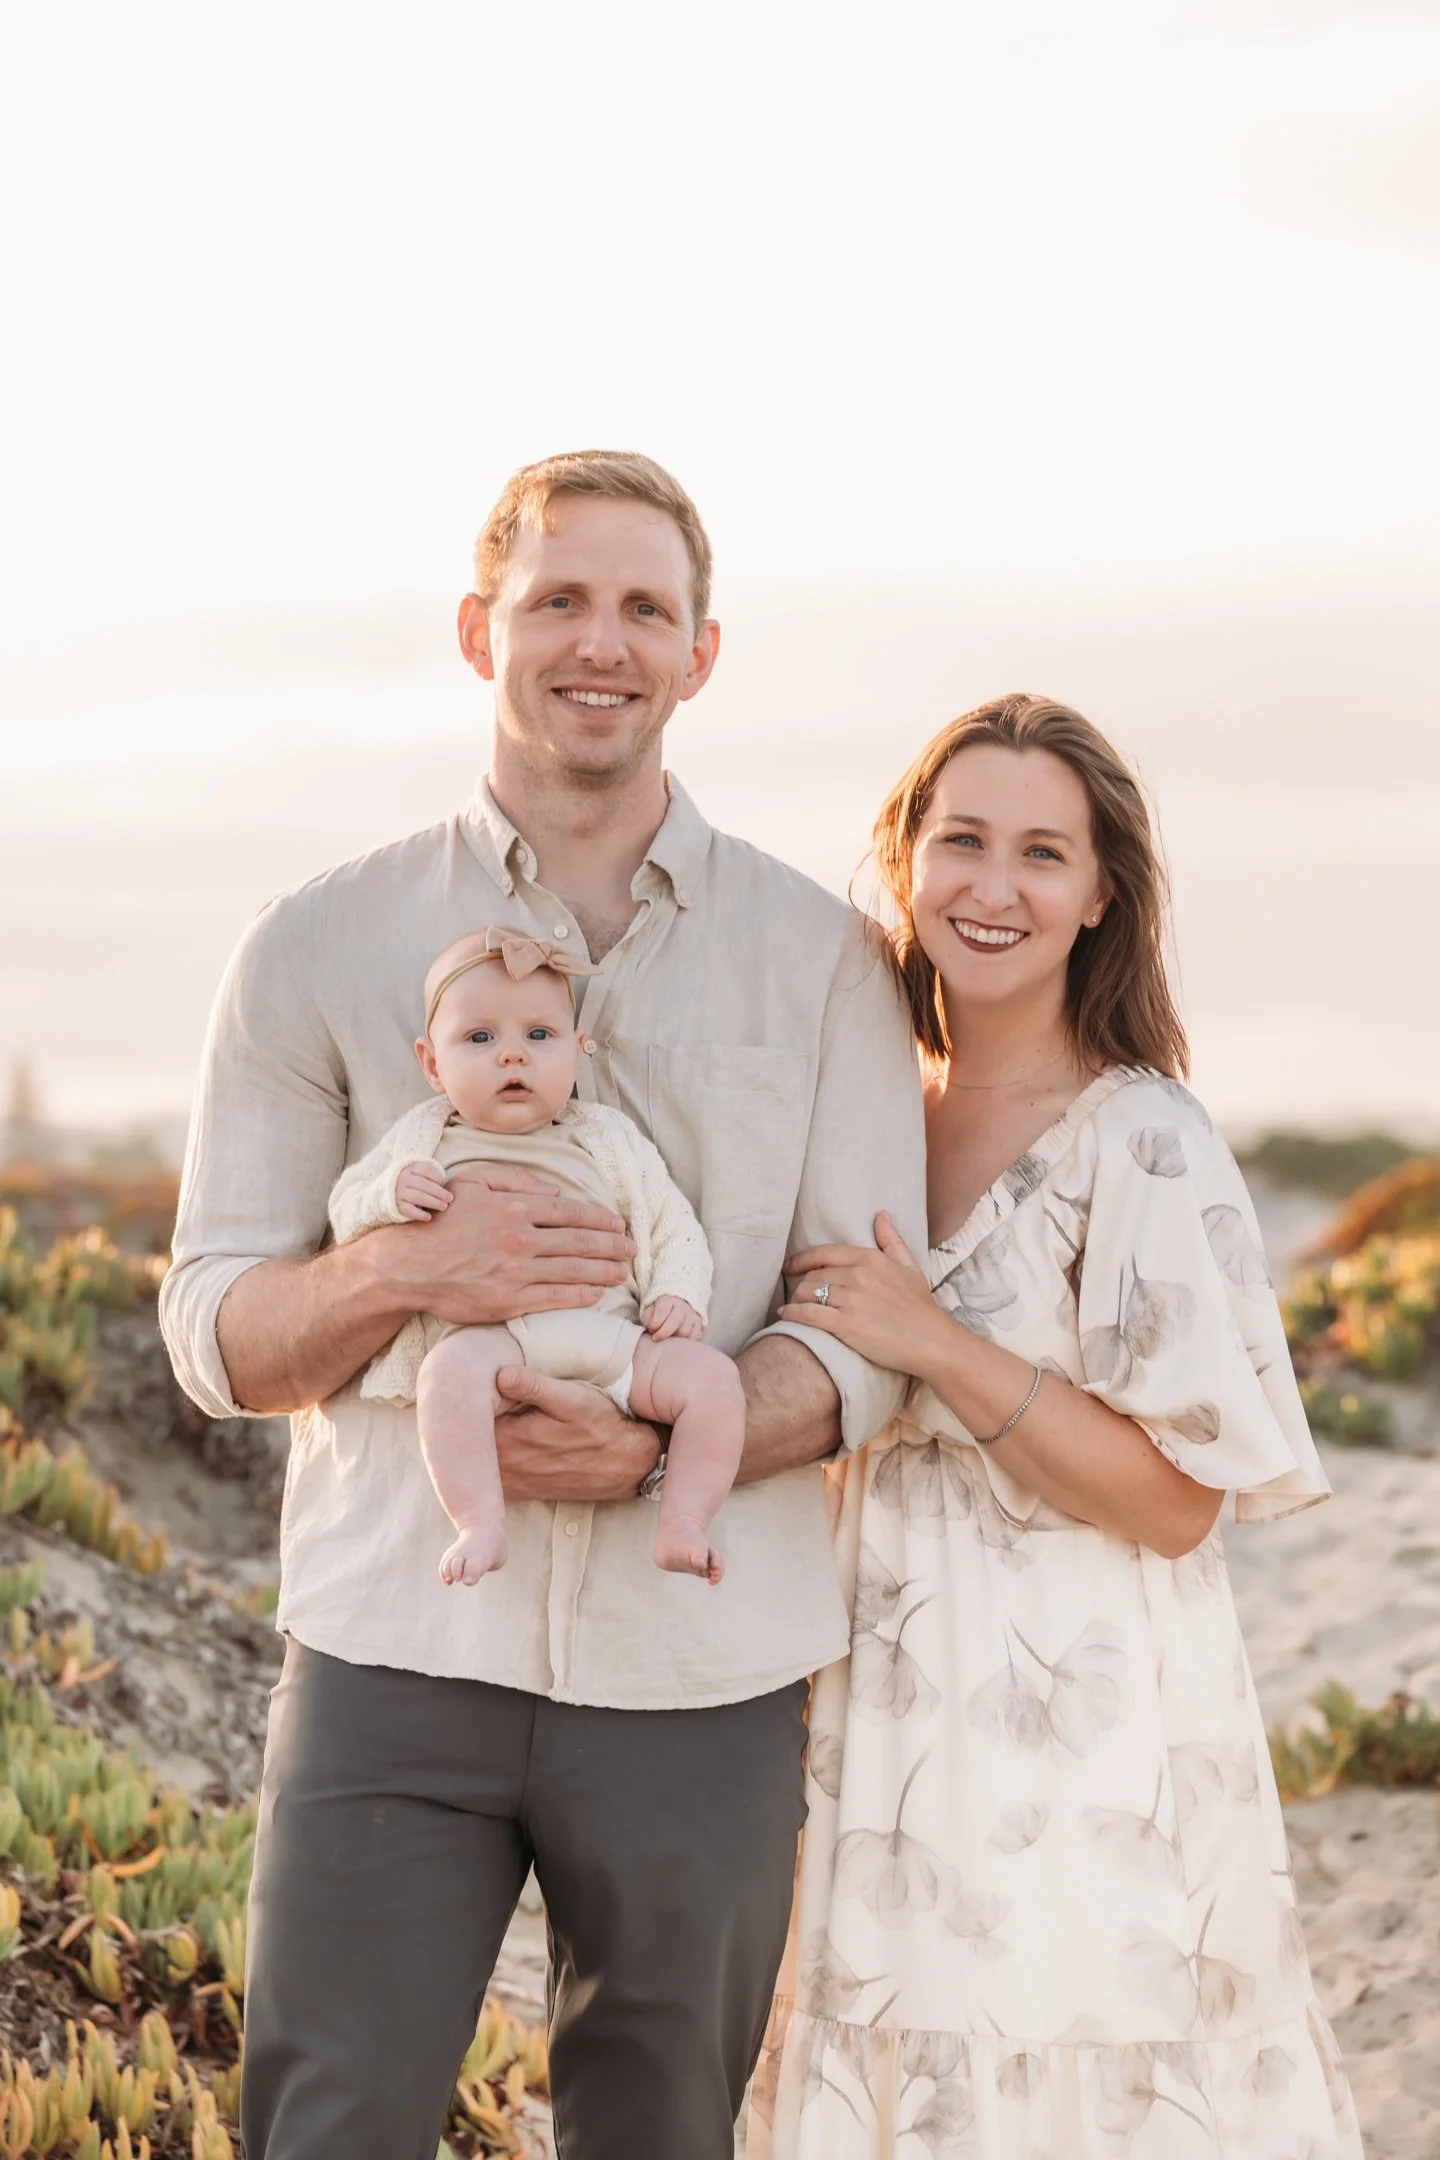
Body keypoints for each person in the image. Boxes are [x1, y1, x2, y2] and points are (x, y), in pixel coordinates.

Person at [159, 448, 927, 2160]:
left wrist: (654, 1459)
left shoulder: (824, 965)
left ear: (701, 653)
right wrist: (401, 1270)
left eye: (645, 607)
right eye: (558, 599)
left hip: (705, 1671)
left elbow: (864, 1338)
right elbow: (210, 1330)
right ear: (476, 630)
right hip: (392, 1652)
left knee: (662, 2135)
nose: (603, 641)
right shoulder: (314, 946)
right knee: (328, 2126)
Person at [748, 695, 1362, 2158]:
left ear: (1099, 895)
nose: (994, 886)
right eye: (960, 840)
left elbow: (1177, 1504)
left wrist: (936, 1346)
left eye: (1041, 853)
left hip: (1078, 1736)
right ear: (904, 861)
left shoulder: (1144, 1136)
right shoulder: (861, 1111)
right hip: (870, 1709)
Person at [329, 923, 742, 1587]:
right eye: (480, 1038)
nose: (512, 1057)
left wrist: (677, 1293)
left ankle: (685, 1518)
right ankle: (478, 1521)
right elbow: (347, 1208)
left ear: (576, 1053)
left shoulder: (607, 1139)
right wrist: (391, 1194)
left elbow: (673, 1225)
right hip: (501, 1346)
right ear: (432, 1064)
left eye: (539, 1036)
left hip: (617, 1343)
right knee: (446, 1377)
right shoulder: (425, 1141)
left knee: (714, 1381)